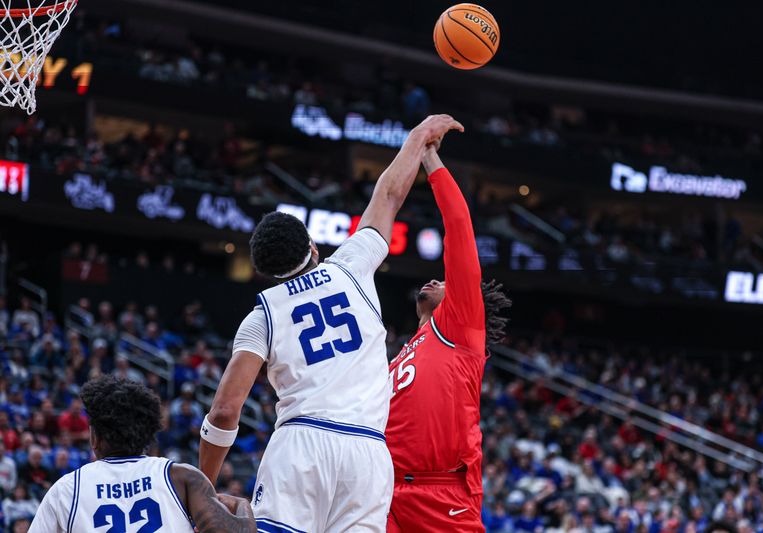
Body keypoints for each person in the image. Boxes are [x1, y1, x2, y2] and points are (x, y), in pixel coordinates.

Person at [199, 114, 463, 532]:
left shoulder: (262, 315)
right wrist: (417, 138)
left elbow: (226, 410)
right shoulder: (350, 266)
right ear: (312, 246)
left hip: (302, 445)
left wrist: (206, 489)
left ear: (267, 272)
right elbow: (389, 195)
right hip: (369, 454)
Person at [385, 144, 511, 532]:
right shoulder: (397, 357)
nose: (435, 280)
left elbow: (458, 227)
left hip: (443, 496)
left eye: (442, 281)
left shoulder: (459, 326)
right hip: (383, 492)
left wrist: (430, 160)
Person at [28, 375, 256, 533]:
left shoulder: (66, 489)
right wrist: (241, 505)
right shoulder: (181, 477)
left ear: (94, 438)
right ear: (148, 434)